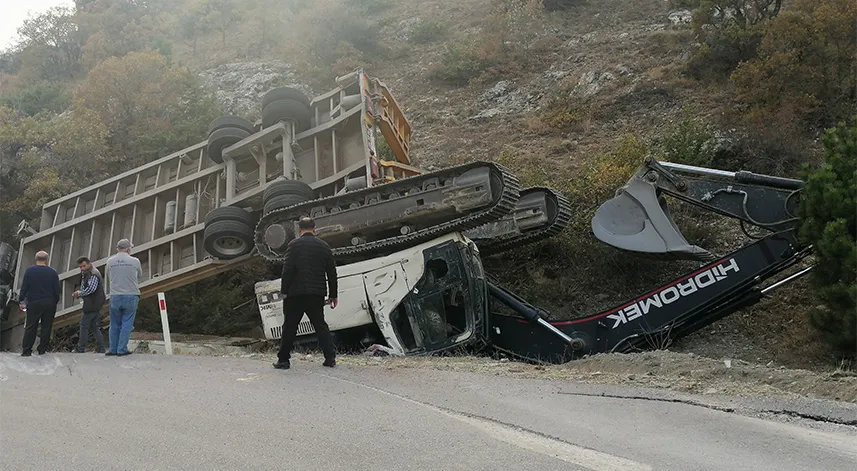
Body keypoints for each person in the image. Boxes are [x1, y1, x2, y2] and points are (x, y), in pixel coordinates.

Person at [273, 217, 338, 370]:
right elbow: (332, 273)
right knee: (320, 326)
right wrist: (333, 295)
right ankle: (330, 358)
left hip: (295, 294)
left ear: (299, 230)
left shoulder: (293, 245)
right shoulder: (324, 246)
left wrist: (284, 291)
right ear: (314, 229)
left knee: (289, 327)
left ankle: (283, 360)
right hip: (316, 294)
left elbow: (287, 270)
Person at [18, 251, 60, 356]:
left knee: (31, 326)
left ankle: (27, 350)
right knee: (46, 327)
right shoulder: (53, 272)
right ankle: (42, 350)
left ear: (35, 259)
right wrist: (55, 301)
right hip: (49, 303)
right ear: (47, 260)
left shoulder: (29, 271)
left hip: (33, 302)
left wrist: (21, 301)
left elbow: (24, 288)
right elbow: (57, 290)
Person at [106, 239, 142, 356]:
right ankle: (122, 349)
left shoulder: (110, 261)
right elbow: (139, 275)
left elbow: (107, 276)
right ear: (128, 249)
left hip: (115, 295)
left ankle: (113, 348)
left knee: (114, 323)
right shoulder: (135, 261)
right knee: (127, 323)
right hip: (131, 295)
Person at [72, 256, 106, 353]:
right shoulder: (88, 272)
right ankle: (101, 347)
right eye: (80, 267)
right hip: (94, 303)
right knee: (93, 326)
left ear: (89, 264)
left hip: (92, 303)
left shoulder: (93, 274)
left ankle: (81, 348)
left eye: (84, 266)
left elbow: (91, 289)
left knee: (84, 325)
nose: (82, 268)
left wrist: (79, 293)